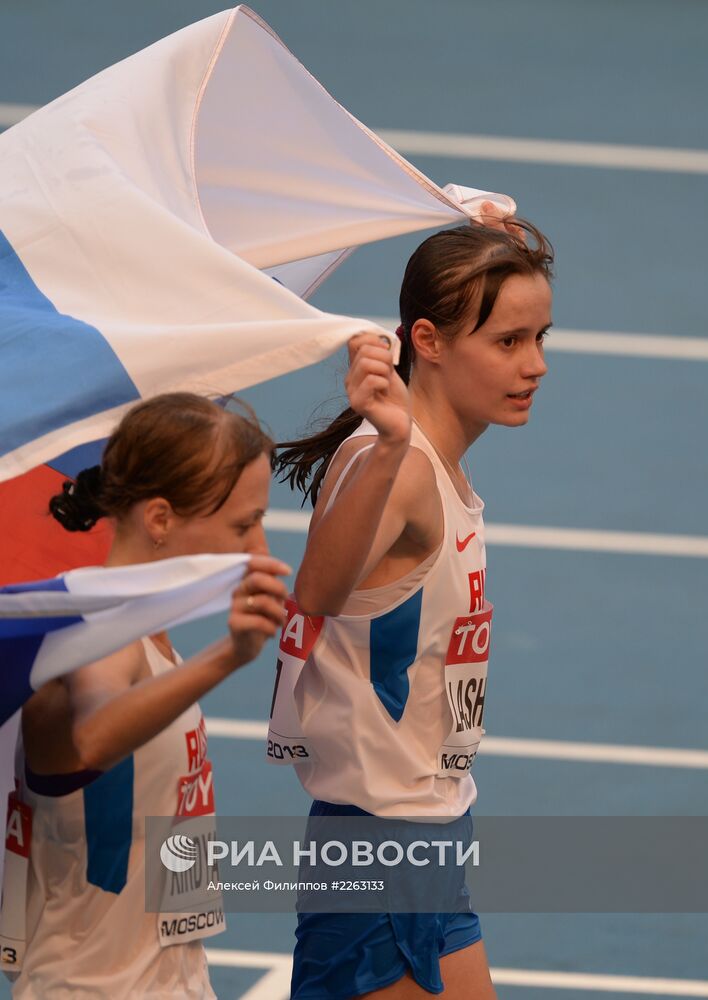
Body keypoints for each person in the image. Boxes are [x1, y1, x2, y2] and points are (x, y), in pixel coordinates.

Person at [273, 212, 554, 999]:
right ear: (426, 341)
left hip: (428, 838)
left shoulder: (433, 467)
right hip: (377, 853)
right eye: (507, 342)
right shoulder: (395, 466)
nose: (533, 364)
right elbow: (318, 593)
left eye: (540, 338)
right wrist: (392, 442)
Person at [10, 392, 291, 999]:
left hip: (167, 980)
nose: (260, 550)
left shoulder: (144, 637)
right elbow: (90, 738)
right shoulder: (93, 636)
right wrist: (229, 656)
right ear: (160, 519)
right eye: (243, 525)